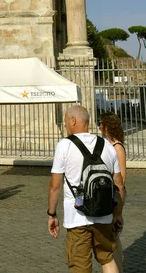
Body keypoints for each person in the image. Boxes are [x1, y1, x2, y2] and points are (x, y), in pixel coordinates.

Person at [48, 105, 125, 273]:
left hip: (77, 218)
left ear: (73, 120)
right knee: (107, 259)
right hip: (104, 215)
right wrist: (117, 213)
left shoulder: (64, 145)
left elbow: (55, 186)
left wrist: (52, 214)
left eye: (66, 121)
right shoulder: (106, 145)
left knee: (79, 266)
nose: (66, 125)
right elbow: (119, 185)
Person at [100, 112, 126, 273]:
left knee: (112, 237)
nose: (99, 126)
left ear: (107, 125)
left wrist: (117, 205)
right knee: (113, 237)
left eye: (101, 123)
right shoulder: (108, 145)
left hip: (115, 195)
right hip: (109, 193)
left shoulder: (117, 147)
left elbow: (122, 178)